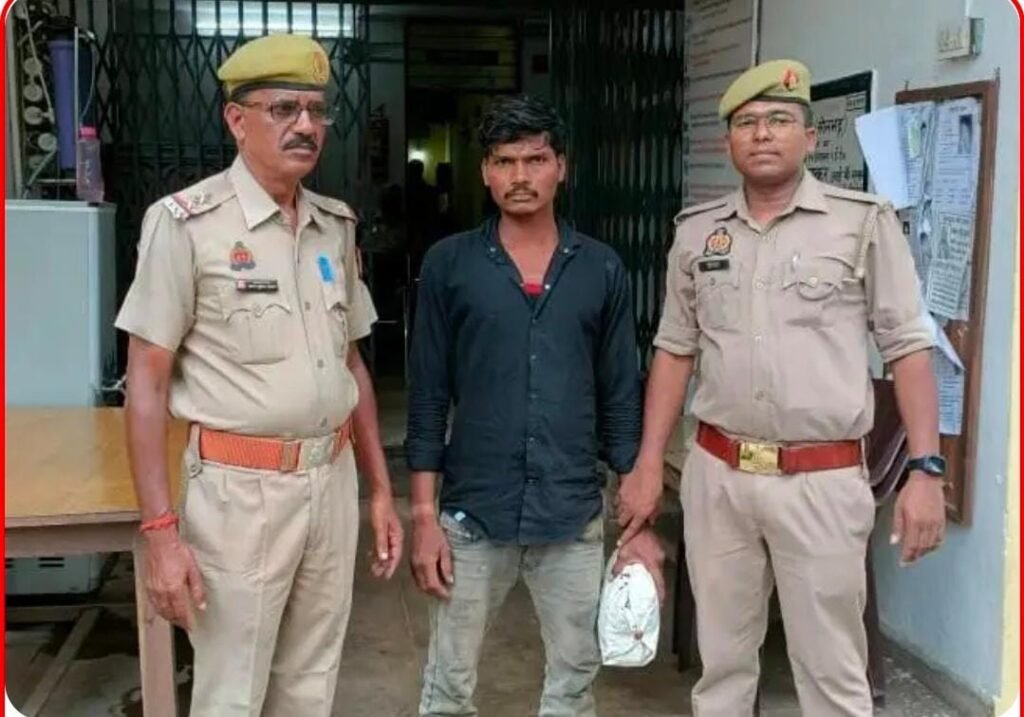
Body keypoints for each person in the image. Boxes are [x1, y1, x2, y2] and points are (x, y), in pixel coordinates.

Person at [617, 60, 947, 717]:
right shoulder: (697, 232)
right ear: (728, 142)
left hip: (821, 481)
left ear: (810, 137)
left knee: (832, 674)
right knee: (722, 667)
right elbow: (674, 350)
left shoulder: (862, 223)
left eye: (779, 120)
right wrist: (649, 460)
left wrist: (926, 469)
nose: (762, 133)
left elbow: (908, 348)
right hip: (720, 476)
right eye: (747, 123)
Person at [115, 33, 403, 717]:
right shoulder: (186, 226)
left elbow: (352, 366)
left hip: (330, 484)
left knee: (311, 682)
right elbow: (145, 385)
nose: (305, 125)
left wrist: (380, 492)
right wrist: (160, 533)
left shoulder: (335, 226)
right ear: (236, 120)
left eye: (316, 110)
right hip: (239, 496)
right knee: (231, 692)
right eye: (282, 109)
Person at [404, 94, 662, 717]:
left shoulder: (600, 268)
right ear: (485, 171)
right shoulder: (450, 265)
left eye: (536, 160)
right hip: (472, 513)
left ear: (561, 167)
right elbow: (428, 394)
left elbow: (620, 393)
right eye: (504, 161)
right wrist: (424, 515)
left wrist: (638, 520)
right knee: (448, 684)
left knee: (574, 681)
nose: (520, 176)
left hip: (570, 512)